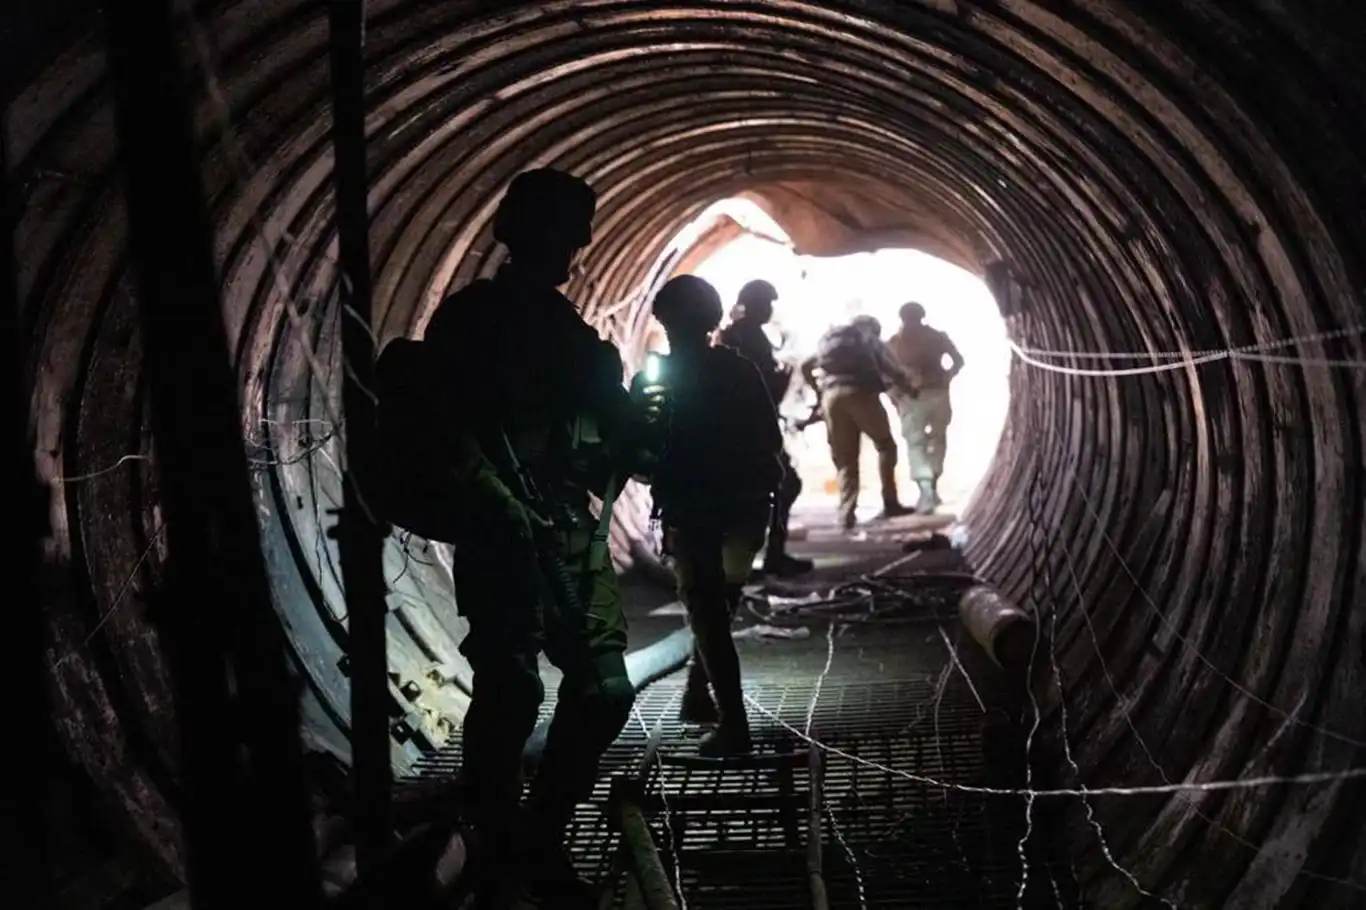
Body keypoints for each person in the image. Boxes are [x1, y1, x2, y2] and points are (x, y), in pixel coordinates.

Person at [421, 168, 657, 907]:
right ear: (527, 231)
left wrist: (639, 430)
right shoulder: (468, 323)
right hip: (497, 533)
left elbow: (616, 440)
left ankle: (539, 837)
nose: (581, 243)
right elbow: (443, 429)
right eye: (569, 228)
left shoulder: (569, 331)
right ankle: (498, 852)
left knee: (605, 690)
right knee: (511, 687)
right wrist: (499, 503)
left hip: (567, 530)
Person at [631, 274, 784, 756]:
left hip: (694, 510)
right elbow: (771, 439)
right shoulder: (740, 370)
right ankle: (699, 694)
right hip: (745, 508)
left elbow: (637, 455)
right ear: (714, 319)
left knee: (707, 609)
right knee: (720, 605)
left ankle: (733, 724)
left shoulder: (656, 382)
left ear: (663, 321)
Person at [717, 279, 814, 577]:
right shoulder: (746, 336)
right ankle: (763, 557)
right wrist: (780, 380)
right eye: (766, 303)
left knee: (764, 489)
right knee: (782, 485)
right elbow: (754, 385)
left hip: (742, 427)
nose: (769, 309)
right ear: (754, 305)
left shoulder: (738, 334)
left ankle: (748, 558)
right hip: (749, 429)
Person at [800, 316, 917, 532]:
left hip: (831, 397)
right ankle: (890, 502)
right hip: (861, 394)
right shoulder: (868, 339)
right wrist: (911, 391)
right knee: (885, 446)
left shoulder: (833, 342)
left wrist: (819, 391)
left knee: (846, 458)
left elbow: (806, 365)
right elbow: (892, 369)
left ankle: (846, 515)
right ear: (873, 328)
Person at [887, 302, 964, 513]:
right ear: (922, 315)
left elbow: (886, 374)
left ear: (901, 317)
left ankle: (926, 491)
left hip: (910, 398)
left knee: (916, 444)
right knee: (938, 440)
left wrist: (895, 395)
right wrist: (947, 377)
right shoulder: (937, 337)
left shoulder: (894, 343)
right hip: (938, 392)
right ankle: (932, 487)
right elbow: (958, 361)